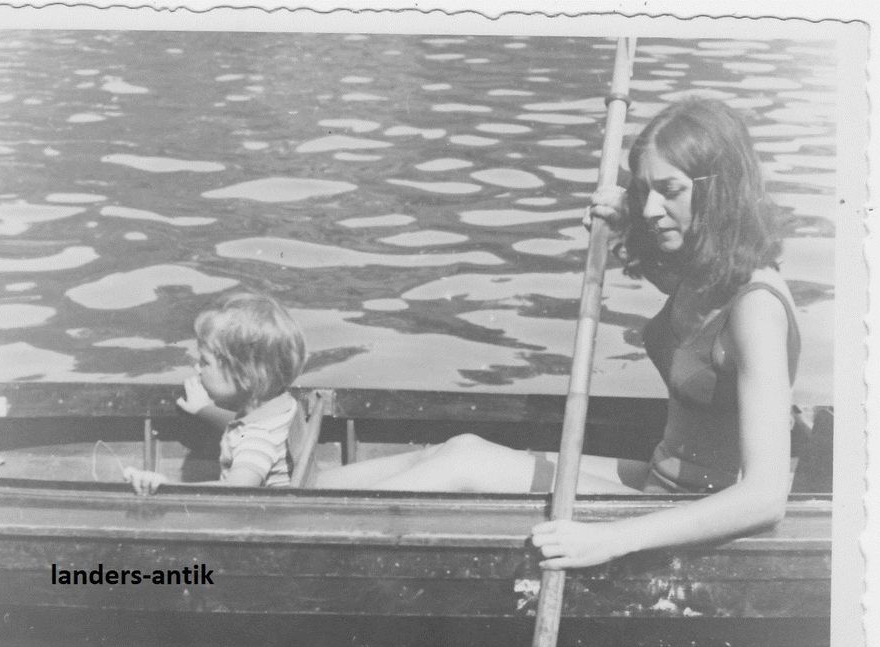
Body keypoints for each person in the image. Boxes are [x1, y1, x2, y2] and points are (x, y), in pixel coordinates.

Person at [316, 98, 800, 569]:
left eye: (669, 190)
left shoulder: (756, 307)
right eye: (643, 190)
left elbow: (764, 497)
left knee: (467, 468)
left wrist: (612, 540)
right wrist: (624, 222)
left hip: (693, 514)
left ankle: (301, 530)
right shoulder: (707, 273)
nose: (652, 208)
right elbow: (674, 286)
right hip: (657, 482)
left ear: (719, 190)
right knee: (461, 447)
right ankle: (291, 496)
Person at [124, 291, 307, 494]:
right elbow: (239, 427)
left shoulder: (257, 440)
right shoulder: (279, 406)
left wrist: (169, 488)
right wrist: (205, 410)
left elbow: (236, 490)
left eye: (205, 361)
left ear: (244, 376)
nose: (197, 368)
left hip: (249, 517)